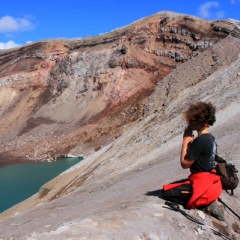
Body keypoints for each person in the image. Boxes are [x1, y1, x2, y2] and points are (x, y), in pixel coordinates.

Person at [162, 101, 224, 221]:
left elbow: (184, 164)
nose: (189, 124)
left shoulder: (200, 141)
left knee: (167, 192)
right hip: (211, 181)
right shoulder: (210, 138)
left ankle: (205, 205)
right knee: (176, 185)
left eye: (191, 122)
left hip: (202, 183)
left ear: (198, 123)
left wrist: (185, 142)